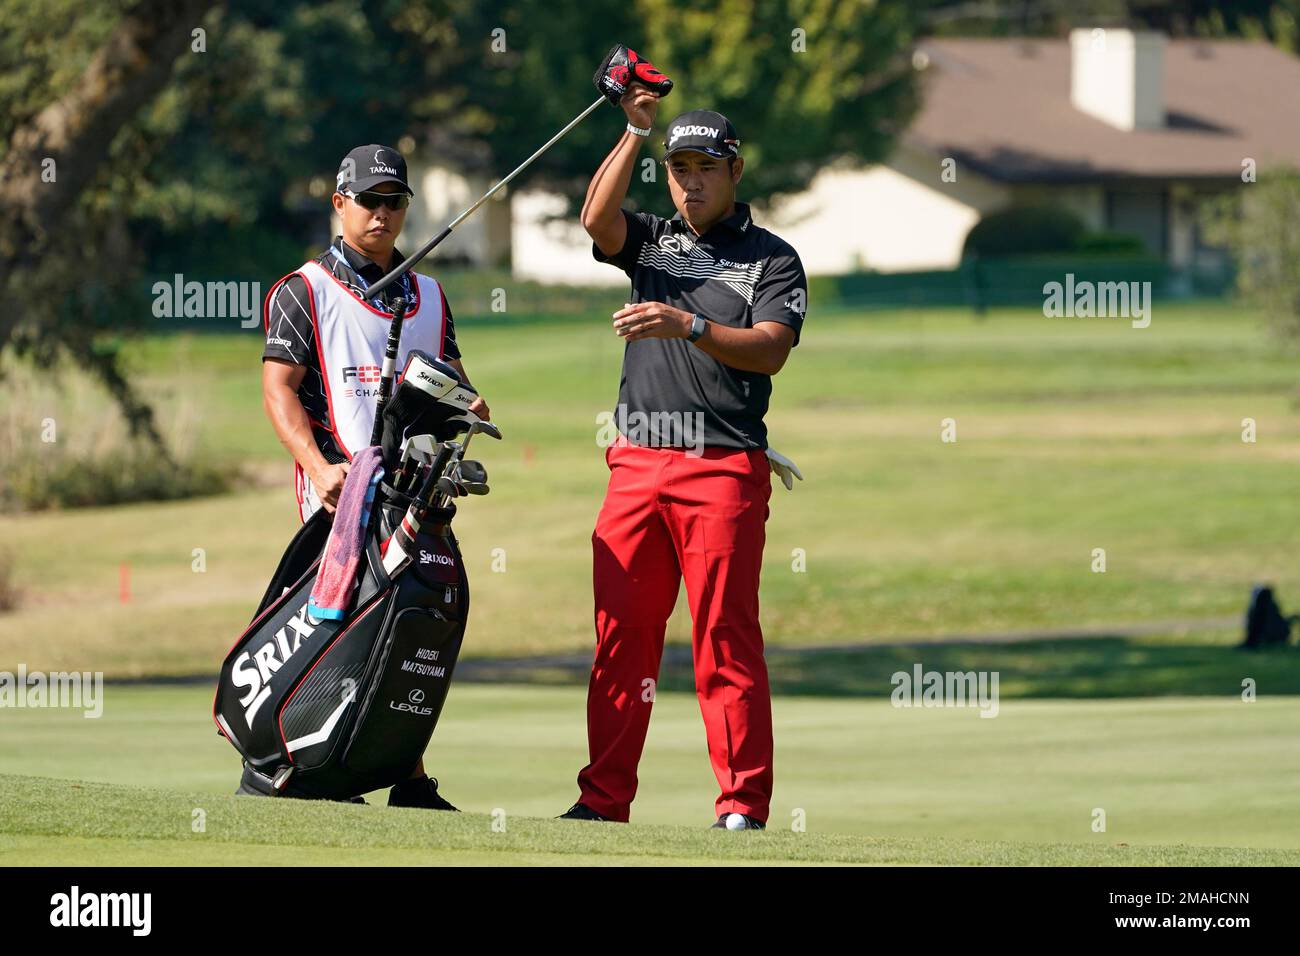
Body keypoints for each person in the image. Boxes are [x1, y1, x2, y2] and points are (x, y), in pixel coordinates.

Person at [560, 90, 807, 829]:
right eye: (679, 169)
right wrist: (634, 129)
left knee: (724, 640)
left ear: (736, 171)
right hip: (636, 463)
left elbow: (770, 350)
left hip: (723, 468)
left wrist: (689, 323)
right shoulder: (654, 242)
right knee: (619, 641)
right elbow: (595, 220)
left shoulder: (773, 258)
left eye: (705, 167)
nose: (691, 182)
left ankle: (741, 806)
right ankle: (603, 803)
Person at [254, 143, 489, 809]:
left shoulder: (432, 296)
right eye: (369, 202)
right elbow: (279, 391)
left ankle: (398, 777)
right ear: (340, 205)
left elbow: (454, 384)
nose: (383, 214)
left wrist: (469, 406)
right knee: (339, 631)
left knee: (403, 631)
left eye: (395, 202)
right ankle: (308, 766)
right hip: (339, 494)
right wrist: (318, 467)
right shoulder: (304, 290)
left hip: (412, 496)